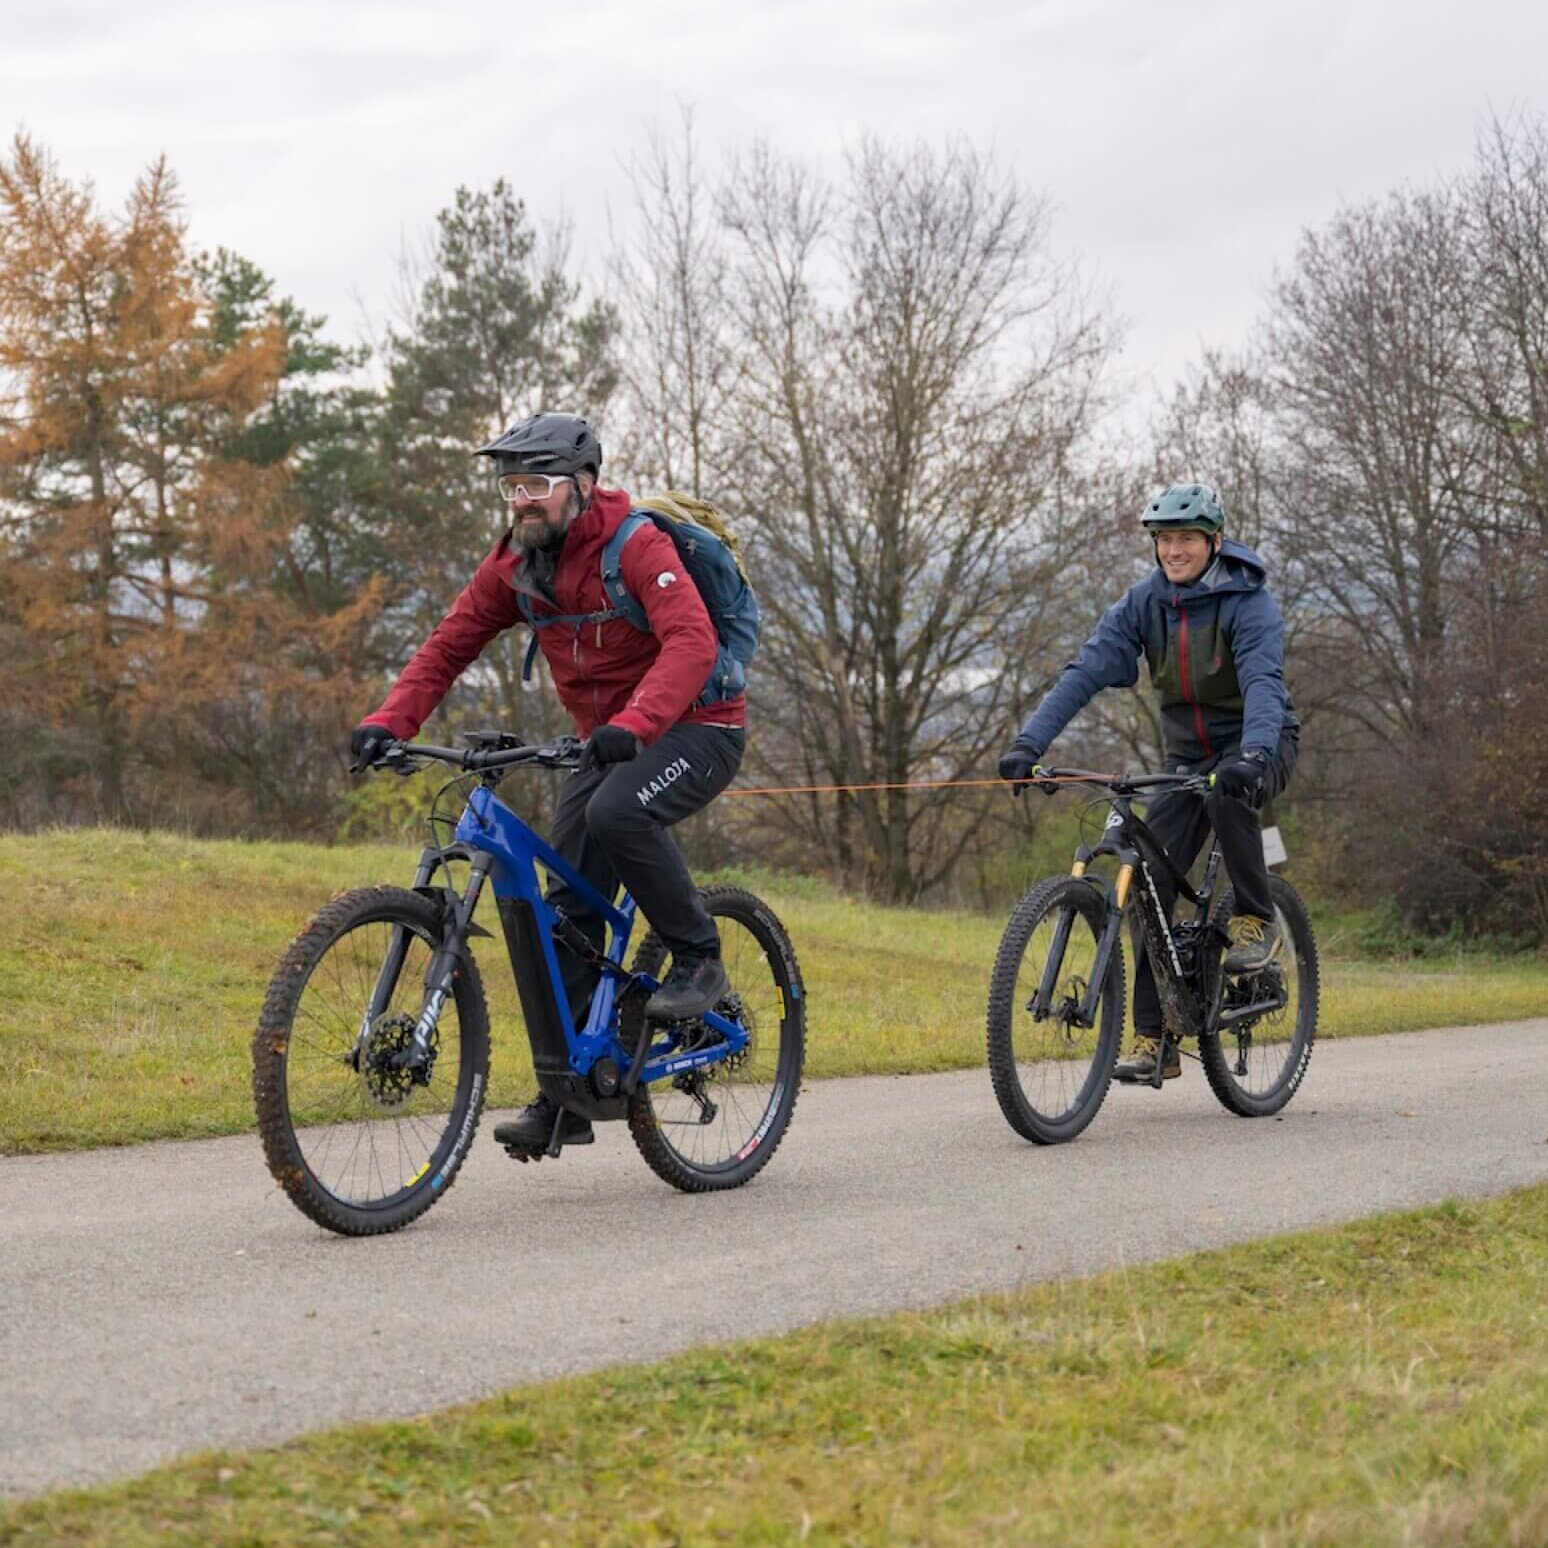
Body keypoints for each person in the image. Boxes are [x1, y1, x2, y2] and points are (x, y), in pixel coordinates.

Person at [349, 412, 746, 1148]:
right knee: (563, 906)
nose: (522, 500)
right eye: (512, 486)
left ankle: (699, 956)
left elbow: (693, 641)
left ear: (583, 486)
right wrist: (389, 721)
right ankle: (568, 1094)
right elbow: (448, 645)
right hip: (610, 744)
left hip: (698, 726)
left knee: (618, 816)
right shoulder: (515, 564)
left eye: (537, 484)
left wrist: (637, 722)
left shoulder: (636, 546)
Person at [997, 482, 1299, 1083]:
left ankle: (1257, 919)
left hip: (1257, 746)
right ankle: (1156, 1037)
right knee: (1149, 880)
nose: (1173, 551)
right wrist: (1029, 744)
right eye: (1164, 540)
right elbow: (1084, 670)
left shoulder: (1249, 603)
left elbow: (1264, 684)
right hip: (1187, 757)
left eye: (1185, 539)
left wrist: (1256, 752)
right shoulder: (1145, 603)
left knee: (1226, 790)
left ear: (1214, 542)